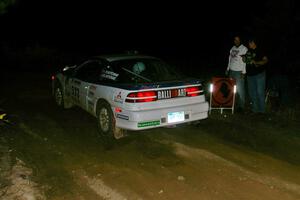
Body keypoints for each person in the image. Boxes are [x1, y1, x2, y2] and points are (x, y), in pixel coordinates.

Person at [243, 37, 268, 114]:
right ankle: (255, 109)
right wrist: (244, 59)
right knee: (252, 93)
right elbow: (246, 60)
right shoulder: (248, 51)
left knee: (260, 92)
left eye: (250, 43)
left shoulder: (260, 50)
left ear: (253, 43)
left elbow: (265, 60)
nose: (249, 44)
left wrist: (256, 62)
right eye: (248, 43)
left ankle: (262, 111)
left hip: (259, 74)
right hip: (250, 75)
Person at [226, 36, 248, 112]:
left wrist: (243, 72)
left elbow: (245, 62)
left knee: (240, 90)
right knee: (231, 89)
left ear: (240, 40)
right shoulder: (232, 48)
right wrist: (227, 69)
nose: (236, 41)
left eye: (238, 40)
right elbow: (230, 59)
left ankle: (241, 106)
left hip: (239, 72)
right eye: (235, 40)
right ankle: (231, 104)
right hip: (231, 71)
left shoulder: (244, 49)